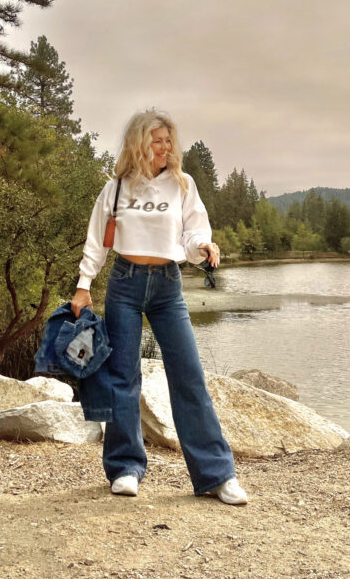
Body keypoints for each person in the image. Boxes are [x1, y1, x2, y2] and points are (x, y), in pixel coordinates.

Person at [71, 109, 247, 505]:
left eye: (170, 140)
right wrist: (84, 287)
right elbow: (97, 241)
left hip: (168, 287)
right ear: (139, 142)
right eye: (158, 140)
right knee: (123, 378)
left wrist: (203, 249)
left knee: (189, 376)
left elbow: (192, 234)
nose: (166, 147)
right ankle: (125, 467)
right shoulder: (116, 188)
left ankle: (217, 475)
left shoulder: (183, 185)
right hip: (125, 284)